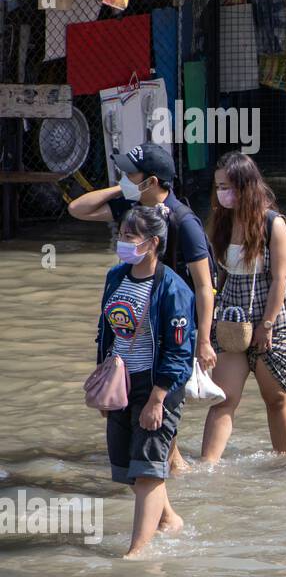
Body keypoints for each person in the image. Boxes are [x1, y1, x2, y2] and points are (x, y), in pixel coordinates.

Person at [69, 144, 215, 473]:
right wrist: (123, 187)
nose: (125, 177)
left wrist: (204, 339)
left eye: (131, 174)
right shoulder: (133, 210)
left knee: (160, 412)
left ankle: (168, 482)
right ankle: (175, 477)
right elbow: (77, 208)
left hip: (173, 326)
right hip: (137, 323)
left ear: (151, 181)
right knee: (157, 430)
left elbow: (205, 285)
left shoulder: (184, 221)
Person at [95, 205, 194, 557]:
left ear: (152, 243)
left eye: (129, 237)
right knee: (131, 470)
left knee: (150, 470)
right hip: (121, 383)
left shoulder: (173, 289)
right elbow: (105, 332)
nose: (122, 242)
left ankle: (135, 552)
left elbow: (180, 352)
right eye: (121, 235)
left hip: (157, 387)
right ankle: (168, 520)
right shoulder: (116, 277)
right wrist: (104, 385)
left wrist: (158, 398)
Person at [200, 152, 286, 463]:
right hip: (233, 318)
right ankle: (207, 468)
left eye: (228, 186)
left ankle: (283, 462)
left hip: (276, 318)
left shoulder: (274, 224)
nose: (222, 194)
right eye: (218, 187)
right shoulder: (221, 222)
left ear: (247, 186)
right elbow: (218, 276)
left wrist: (267, 325)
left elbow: (280, 279)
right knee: (223, 398)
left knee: (275, 397)